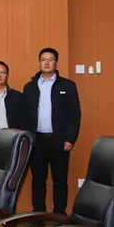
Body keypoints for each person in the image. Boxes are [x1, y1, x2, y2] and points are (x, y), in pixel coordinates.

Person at [23, 47, 81, 216]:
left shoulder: (68, 86)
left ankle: (59, 216)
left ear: (56, 63)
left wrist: (70, 138)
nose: (47, 63)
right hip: (37, 140)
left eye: (50, 60)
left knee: (60, 180)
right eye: (43, 60)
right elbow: (24, 115)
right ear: (39, 62)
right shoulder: (30, 87)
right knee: (38, 180)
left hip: (59, 140)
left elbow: (74, 114)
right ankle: (38, 214)